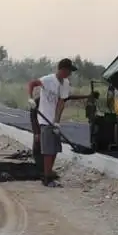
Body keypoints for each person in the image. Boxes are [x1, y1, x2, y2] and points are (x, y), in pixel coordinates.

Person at [27, 58, 76, 187]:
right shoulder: (48, 79)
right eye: (69, 71)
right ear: (62, 69)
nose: (70, 74)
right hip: (44, 120)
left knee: (54, 149)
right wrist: (31, 98)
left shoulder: (65, 83)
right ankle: (46, 178)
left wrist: (57, 121)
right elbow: (32, 84)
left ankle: (48, 174)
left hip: (53, 121)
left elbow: (61, 103)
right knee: (48, 150)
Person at [29, 90, 90, 179]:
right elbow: (33, 117)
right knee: (39, 148)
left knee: (54, 149)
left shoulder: (57, 98)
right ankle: (42, 172)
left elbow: (70, 96)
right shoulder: (39, 100)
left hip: (53, 126)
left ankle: (48, 170)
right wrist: (36, 133)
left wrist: (87, 96)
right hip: (42, 127)